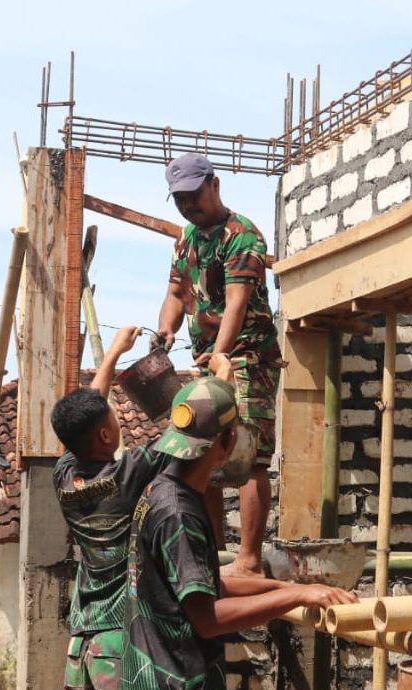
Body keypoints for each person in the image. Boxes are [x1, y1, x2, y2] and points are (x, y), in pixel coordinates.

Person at [121, 377, 357, 690]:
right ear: (229, 440)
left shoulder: (161, 492)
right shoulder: (179, 513)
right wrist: (296, 595)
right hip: (173, 679)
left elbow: (203, 587)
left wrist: (277, 587)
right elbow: (207, 619)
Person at [156, 152, 281, 578]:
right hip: (209, 362)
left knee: (248, 456)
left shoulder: (241, 236)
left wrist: (222, 354)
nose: (188, 206)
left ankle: (248, 560)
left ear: (214, 184)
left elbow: (236, 302)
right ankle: (212, 551)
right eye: (179, 200)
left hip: (248, 359)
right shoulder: (186, 239)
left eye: (193, 196)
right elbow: (176, 292)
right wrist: (166, 331)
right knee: (201, 454)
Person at [50, 325, 173, 690]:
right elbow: (188, 430)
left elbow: (87, 414)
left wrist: (113, 355)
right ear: (106, 435)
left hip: (83, 644)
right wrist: (219, 379)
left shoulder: (64, 475)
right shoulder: (130, 471)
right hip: (118, 646)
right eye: (111, 420)